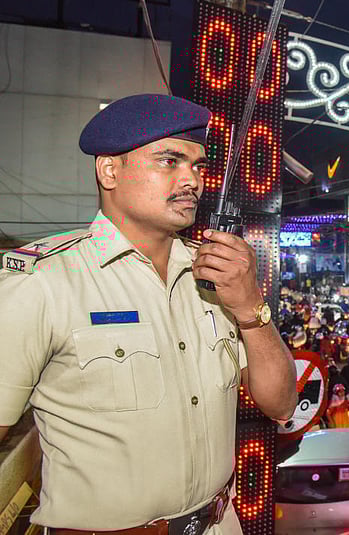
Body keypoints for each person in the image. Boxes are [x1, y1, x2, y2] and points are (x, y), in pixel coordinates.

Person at [0, 94, 297, 533]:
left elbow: (281, 404)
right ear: (108, 170)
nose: (192, 181)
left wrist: (251, 307)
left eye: (197, 166)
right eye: (169, 161)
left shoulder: (216, 277)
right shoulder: (43, 281)